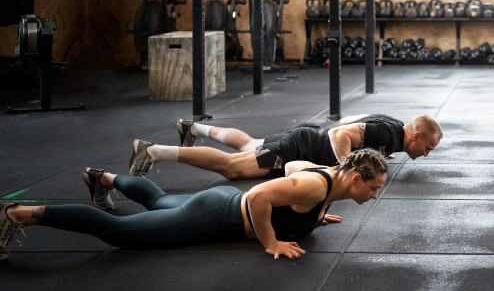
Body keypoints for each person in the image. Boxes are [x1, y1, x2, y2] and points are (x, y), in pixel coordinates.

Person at [0, 149, 388, 262]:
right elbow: (257, 197)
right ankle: (18, 215)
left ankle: (102, 177)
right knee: (118, 232)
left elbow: (290, 168)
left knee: (159, 200)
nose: (374, 196)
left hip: (217, 202)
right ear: (356, 178)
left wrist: (314, 215)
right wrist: (271, 242)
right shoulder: (315, 186)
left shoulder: (326, 181)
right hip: (216, 214)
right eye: (373, 188)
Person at [127, 113, 442, 180]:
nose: (425, 155)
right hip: (298, 149)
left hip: (304, 138)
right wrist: (346, 166)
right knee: (232, 167)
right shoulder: (388, 134)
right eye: (427, 148)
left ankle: (194, 128)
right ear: (415, 136)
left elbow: (349, 120)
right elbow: (340, 134)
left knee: (249, 144)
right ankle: (152, 151)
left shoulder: (391, 130)